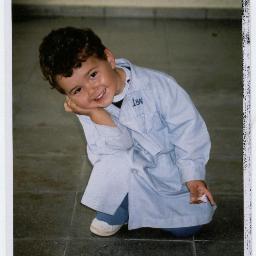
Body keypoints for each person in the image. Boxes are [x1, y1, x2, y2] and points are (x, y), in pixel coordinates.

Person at [39, 27, 216, 238]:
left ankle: (140, 204)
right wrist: (97, 115)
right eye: (77, 90)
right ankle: (121, 207)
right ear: (69, 95)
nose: (91, 91)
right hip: (126, 174)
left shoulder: (159, 86)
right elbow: (107, 153)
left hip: (166, 175)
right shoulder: (86, 108)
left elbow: (188, 130)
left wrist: (193, 176)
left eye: (93, 75)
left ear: (109, 58)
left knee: (187, 228)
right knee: (115, 164)